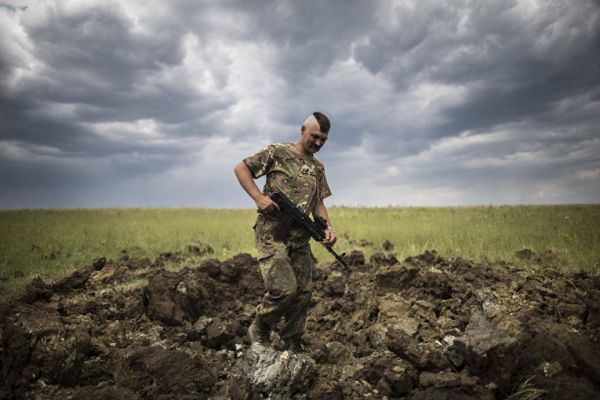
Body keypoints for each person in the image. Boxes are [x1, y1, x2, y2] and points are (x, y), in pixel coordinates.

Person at [233, 111, 337, 352]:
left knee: (303, 292)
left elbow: (318, 202)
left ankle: (293, 341)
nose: (319, 143)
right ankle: (260, 327)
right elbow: (241, 168)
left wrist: (327, 228)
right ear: (302, 130)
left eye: (324, 139)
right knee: (284, 290)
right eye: (315, 137)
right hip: (273, 233)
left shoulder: (318, 168)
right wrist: (258, 197)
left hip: (300, 238)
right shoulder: (277, 152)